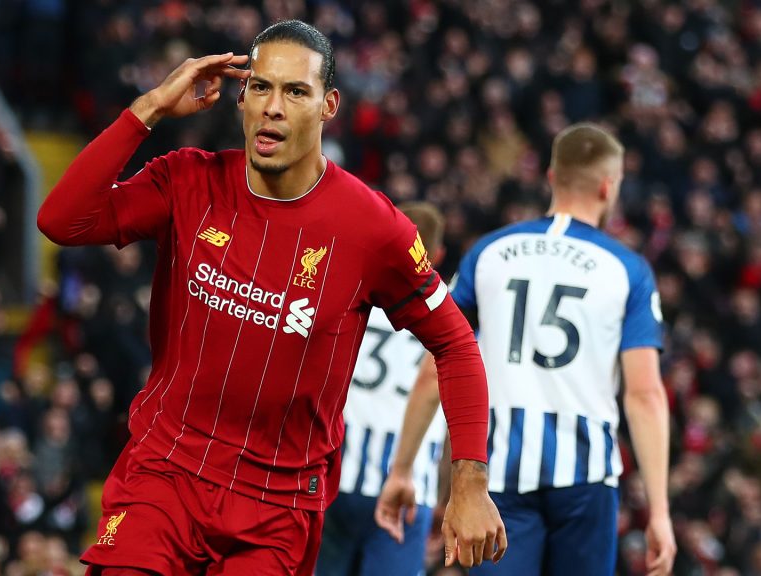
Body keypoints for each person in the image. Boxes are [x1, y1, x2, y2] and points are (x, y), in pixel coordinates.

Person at [37, 19, 506, 576]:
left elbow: (455, 344)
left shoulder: (373, 229)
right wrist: (151, 109)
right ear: (241, 96)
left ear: (329, 105)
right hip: (165, 474)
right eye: (260, 87)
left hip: (277, 507)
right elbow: (61, 220)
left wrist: (470, 480)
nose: (273, 107)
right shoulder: (188, 181)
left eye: (295, 91)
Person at [376, 123, 677, 575]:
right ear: (608, 186)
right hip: (586, 477)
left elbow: (436, 364)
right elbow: (645, 395)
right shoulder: (628, 270)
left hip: (498, 474)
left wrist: (401, 470)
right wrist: (659, 512)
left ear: (552, 177)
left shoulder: (490, 252)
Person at [315, 201, 451, 576]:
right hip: (408, 487)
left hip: (333, 476)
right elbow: (458, 412)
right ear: (436, 255)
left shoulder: (343, 290)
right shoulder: (449, 315)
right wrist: (448, 495)